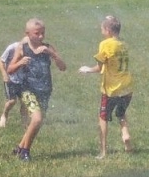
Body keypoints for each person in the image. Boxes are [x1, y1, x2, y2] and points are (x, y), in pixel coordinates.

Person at [7, 18, 66, 161]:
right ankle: (25, 152)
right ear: (27, 33)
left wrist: (51, 53)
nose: (40, 36)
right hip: (28, 90)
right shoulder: (22, 47)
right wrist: (20, 62)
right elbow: (10, 69)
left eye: (43, 33)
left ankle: (20, 147)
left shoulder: (47, 47)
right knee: (37, 119)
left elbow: (63, 67)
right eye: (37, 33)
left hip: (45, 90)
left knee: (36, 123)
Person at [78, 14, 133, 159]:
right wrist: (111, 18)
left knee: (103, 118)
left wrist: (87, 70)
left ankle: (103, 151)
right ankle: (125, 133)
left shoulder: (105, 44)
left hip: (111, 90)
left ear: (108, 30)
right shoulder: (123, 44)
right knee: (121, 113)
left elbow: (99, 67)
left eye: (102, 29)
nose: (101, 31)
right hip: (127, 87)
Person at [0, 39, 26, 129]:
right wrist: (4, 74)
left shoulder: (31, 50)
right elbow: (1, 61)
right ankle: (4, 115)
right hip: (11, 79)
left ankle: (25, 123)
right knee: (12, 101)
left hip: (24, 80)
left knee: (24, 102)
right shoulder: (12, 48)